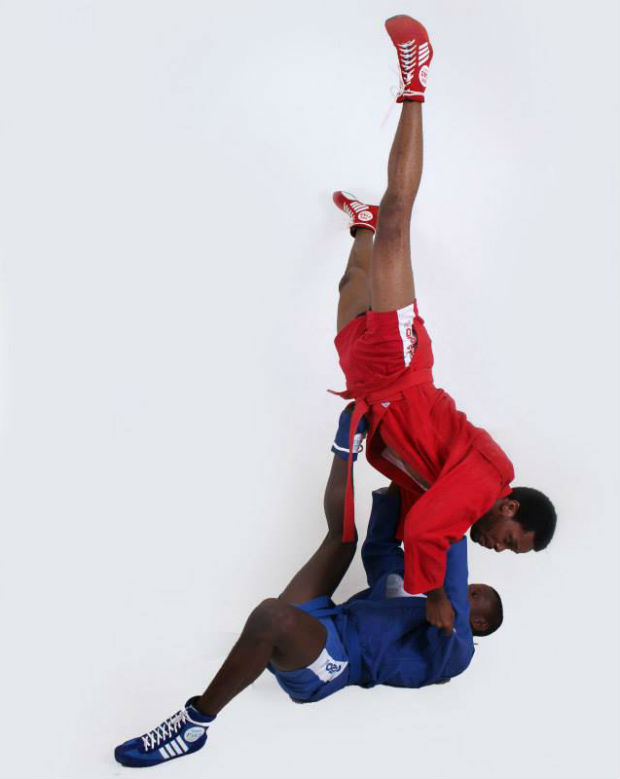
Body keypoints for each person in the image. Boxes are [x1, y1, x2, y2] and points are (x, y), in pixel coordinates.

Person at [330, 15, 556, 635]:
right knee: (404, 220)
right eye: (512, 541)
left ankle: (360, 226)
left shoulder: (456, 492)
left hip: (372, 387)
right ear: (509, 507)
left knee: (354, 281)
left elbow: (412, 513)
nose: (498, 550)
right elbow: (431, 528)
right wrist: (434, 596)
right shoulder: (486, 479)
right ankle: (416, 80)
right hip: (402, 370)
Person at [114, 409, 503, 768]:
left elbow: (448, 573)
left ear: (480, 624)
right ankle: (345, 440)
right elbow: (382, 547)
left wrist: (457, 497)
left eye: (476, 597)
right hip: (330, 620)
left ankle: (194, 724)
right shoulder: (410, 594)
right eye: (474, 587)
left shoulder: (457, 652)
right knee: (342, 540)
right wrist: (402, 471)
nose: (469, 590)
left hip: (335, 663)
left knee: (270, 616)